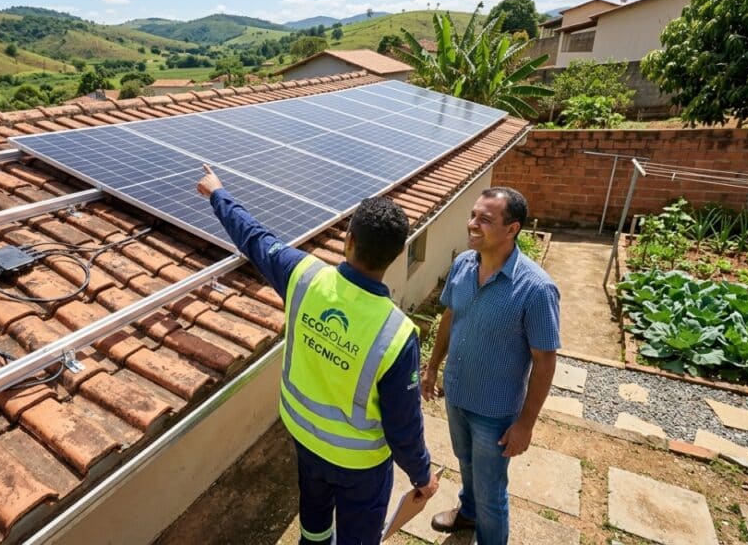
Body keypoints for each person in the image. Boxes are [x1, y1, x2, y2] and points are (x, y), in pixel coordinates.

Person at [197, 165, 438, 544]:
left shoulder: (304, 277)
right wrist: (422, 475)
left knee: (314, 517)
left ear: (348, 240)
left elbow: (254, 238)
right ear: (396, 254)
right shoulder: (396, 333)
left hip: (304, 438)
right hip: (359, 465)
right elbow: (403, 425)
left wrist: (217, 194)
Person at [421, 187, 560, 545]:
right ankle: (468, 512)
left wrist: (525, 425)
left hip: (495, 413)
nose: (472, 224)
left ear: (512, 229)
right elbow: (450, 316)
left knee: (492, 493)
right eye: (473, 215)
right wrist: (433, 367)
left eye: (485, 219)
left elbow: (545, 362)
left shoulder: (536, 289)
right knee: (466, 463)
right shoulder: (463, 265)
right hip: (457, 395)